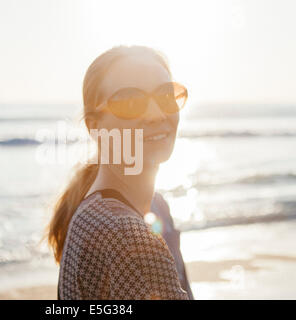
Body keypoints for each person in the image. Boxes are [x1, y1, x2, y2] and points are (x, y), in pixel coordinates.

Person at [46, 45, 190, 299]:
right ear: (94, 126)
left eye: (166, 95)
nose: (156, 114)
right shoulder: (124, 236)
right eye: (131, 102)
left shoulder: (148, 208)